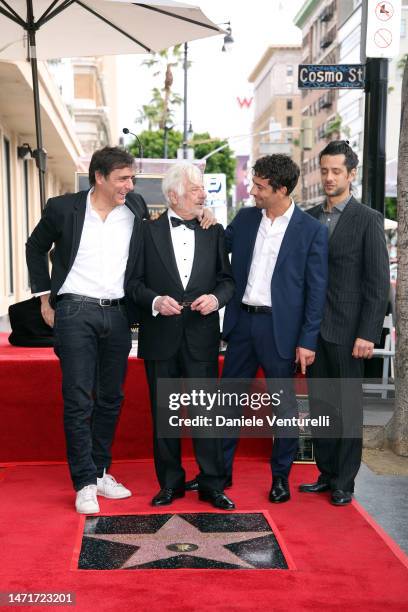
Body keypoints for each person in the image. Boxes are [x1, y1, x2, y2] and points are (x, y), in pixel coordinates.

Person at [26, 146, 144, 514]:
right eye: (123, 178)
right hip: (75, 310)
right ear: (100, 177)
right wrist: (44, 296)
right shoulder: (64, 208)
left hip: (119, 314)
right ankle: (84, 483)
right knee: (79, 399)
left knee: (112, 398)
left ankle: (100, 471)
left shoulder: (136, 208)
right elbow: (34, 246)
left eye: (132, 177)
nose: (130, 184)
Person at [219, 154, 328, 503]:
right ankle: (218, 474)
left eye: (260, 186)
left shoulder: (311, 231)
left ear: (281, 189)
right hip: (242, 324)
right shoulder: (247, 218)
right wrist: (206, 220)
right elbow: (219, 247)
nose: (253, 191)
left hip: (282, 331)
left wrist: (307, 340)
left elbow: (316, 291)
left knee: (283, 408)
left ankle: (280, 478)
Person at [128, 162, 236, 510]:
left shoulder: (213, 229)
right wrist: (156, 301)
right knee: (166, 417)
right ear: (174, 196)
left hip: (202, 336)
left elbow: (228, 280)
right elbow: (132, 284)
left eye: (202, 188)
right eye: (195, 189)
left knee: (207, 415)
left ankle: (212, 484)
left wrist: (216, 298)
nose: (203, 194)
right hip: (160, 336)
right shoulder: (146, 232)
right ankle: (170, 483)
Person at [300, 140, 390, 506]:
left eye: (337, 171)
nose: (329, 177)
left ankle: (344, 482)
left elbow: (377, 281)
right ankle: (325, 472)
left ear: (351, 174)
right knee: (321, 406)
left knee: (347, 408)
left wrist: (368, 333)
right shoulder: (307, 217)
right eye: (324, 170)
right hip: (313, 332)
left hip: (350, 332)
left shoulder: (367, 219)